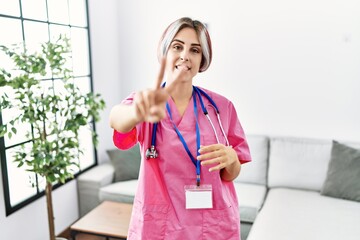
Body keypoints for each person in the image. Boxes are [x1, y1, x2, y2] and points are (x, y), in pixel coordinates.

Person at [109, 17, 251, 240]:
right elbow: (116, 118)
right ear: (165, 52)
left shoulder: (221, 107)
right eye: (177, 46)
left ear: (202, 59)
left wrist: (232, 158)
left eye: (194, 50)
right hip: (160, 226)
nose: (185, 55)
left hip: (211, 225)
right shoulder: (146, 101)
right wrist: (137, 112)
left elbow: (230, 173)